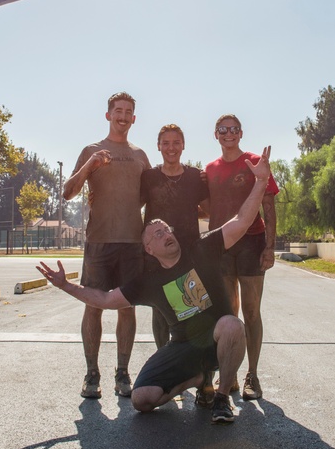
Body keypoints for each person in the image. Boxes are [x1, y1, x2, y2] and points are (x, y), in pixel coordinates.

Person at [38, 147, 272, 425]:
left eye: (166, 230)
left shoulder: (202, 249)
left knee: (233, 325)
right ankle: (196, 378)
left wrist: (260, 181)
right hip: (183, 349)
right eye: (157, 234)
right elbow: (105, 298)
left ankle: (221, 398)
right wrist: (67, 286)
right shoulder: (148, 281)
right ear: (148, 249)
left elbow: (242, 220)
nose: (165, 235)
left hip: (216, 342)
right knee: (142, 399)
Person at [62, 92, 151, 400]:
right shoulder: (92, 149)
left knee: (127, 309)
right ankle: (91, 374)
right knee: (94, 305)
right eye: (118, 111)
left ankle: (123, 373)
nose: (123, 116)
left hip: (132, 243)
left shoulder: (140, 155)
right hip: (98, 242)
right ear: (108, 115)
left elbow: (145, 197)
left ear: (134, 118)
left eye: (128, 112)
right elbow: (67, 193)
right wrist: (89, 166)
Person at [204, 114, 278, 401]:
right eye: (223, 130)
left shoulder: (255, 162)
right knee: (226, 313)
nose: (228, 134)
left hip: (251, 243)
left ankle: (253, 376)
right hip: (221, 246)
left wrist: (269, 247)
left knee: (251, 311)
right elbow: (206, 207)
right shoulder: (209, 169)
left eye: (234, 129)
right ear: (216, 135)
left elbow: (269, 209)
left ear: (241, 133)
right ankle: (229, 374)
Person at [140, 124, 209, 351]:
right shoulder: (149, 177)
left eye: (176, 142)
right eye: (166, 143)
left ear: (183, 145)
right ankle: (164, 365)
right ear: (158, 146)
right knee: (161, 313)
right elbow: (132, 207)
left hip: (189, 254)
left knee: (195, 311)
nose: (171, 148)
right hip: (158, 257)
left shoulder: (195, 176)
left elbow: (211, 210)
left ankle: (204, 378)